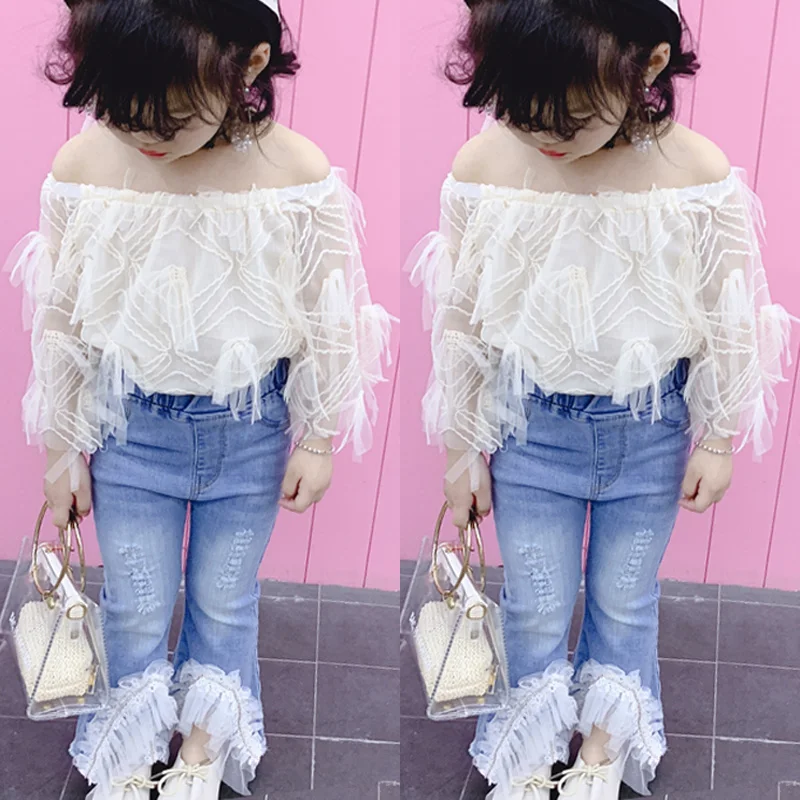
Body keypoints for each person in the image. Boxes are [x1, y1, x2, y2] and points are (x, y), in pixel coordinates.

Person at [409, 0, 793, 797]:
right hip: (530, 430)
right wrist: (461, 446)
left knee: (624, 601)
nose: (546, 133)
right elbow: (462, 319)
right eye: (522, 107)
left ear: (648, 65)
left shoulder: (695, 173)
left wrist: (718, 436)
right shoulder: (487, 165)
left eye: (573, 113)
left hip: (650, 430)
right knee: (536, 603)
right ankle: (529, 746)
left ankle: (602, 751)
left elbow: (729, 317)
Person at [7, 0, 392, 798]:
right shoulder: (87, 165)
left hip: (249, 429)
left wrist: (319, 436)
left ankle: (203, 747)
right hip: (130, 430)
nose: (147, 133)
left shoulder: (295, 172)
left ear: (248, 65)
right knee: (135, 604)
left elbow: (330, 317)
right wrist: (63, 447)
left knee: (224, 600)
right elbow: (63, 321)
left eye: (173, 112)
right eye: (123, 107)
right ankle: (129, 744)